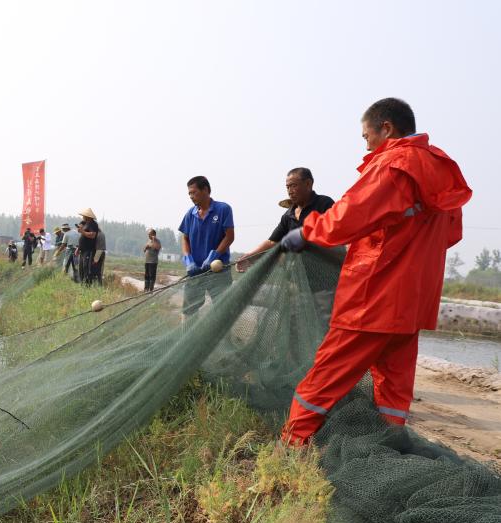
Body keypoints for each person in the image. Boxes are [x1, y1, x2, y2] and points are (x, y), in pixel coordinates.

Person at [276, 97, 471, 446]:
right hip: (412, 304)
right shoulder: (441, 174)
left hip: (373, 300)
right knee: (393, 388)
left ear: (386, 128)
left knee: (324, 377)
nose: (364, 143)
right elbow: (450, 235)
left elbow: (349, 215)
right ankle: (389, 448)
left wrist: (306, 231)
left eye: (366, 135)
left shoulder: (396, 164)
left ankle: (291, 445)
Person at [237, 168, 334, 269]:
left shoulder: (324, 204)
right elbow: (272, 242)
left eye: (293, 186)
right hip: (299, 272)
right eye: (287, 187)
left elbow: (336, 233)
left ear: (308, 184)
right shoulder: (288, 215)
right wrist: (249, 256)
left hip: (326, 268)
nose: (290, 191)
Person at [178, 176, 235, 316]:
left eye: (194, 192)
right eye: (189, 193)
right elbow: (184, 238)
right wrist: (189, 260)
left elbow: (229, 236)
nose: (191, 196)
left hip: (219, 270)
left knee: (224, 309)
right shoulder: (190, 214)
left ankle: (225, 338)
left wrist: (214, 255)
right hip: (195, 272)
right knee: (189, 310)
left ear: (206, 190)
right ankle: (189, 337)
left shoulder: (223, 209)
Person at [75, 208, 100, 285]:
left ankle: (87, 284)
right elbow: (83, 238)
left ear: (87, 216)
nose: (82, 217)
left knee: (87, 268)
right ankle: (82, 283)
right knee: (81, 267)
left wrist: (82, 231)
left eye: (84, 216)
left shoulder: (93, 224)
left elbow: (92, 235)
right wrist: (78, 248)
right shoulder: (86, 224)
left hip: (89, 250)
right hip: (83, 250)